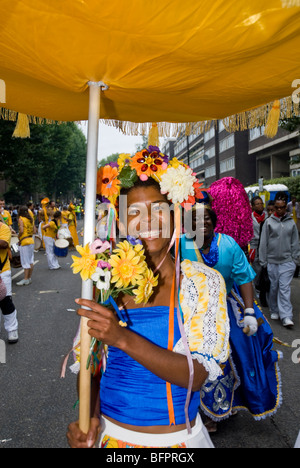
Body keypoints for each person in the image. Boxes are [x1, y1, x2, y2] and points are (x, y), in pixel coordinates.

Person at [66, 147, 230, 449]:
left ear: (176, 214)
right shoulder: (105, 281)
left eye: (158, 208)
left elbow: (196, 377)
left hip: (180, 444)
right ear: (120, 221)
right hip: (112, 439)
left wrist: (121, 337)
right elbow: (89, 364)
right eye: (133, 211)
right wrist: (87, 416)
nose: (147, 221)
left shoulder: (202, 282)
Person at [181, 202, 282, 430]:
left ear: (214, 221)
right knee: (197, 358)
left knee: (230, 357)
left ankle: (220, 407)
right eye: (196, 219)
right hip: (191, 311)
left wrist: (248, 311)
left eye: (206, 217)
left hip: (224, 308)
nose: (202, 222)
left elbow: (243, 277)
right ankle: (202, 409)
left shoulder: (227, 243)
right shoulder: (181, 244)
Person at [259, 192, 300, 328]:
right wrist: (263, 261)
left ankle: (286, 316)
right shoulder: (268, 222)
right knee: (274, 287)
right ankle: (274, 309)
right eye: (277, 207)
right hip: (271, 261)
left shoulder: (291, 223)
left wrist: (295, 259)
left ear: (285, 208)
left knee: (284, 288)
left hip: (287, 262)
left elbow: (295, 242)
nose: (279, 210)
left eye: (282, 207)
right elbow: (263, 242)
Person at [0, 219, 18, 343]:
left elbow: (3, 244)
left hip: (2, 271)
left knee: (5, 301)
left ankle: (12, 330)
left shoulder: (3, 227)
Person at [16, 206, 35, 286]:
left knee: (25, 261)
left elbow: (21, 230)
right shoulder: (30, 219)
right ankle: (29, 278)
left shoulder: (21, 219)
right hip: (31, 240)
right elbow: (34, 230)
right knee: (30, 261)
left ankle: (25, 279)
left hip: (24, 241)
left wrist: (18, 237)